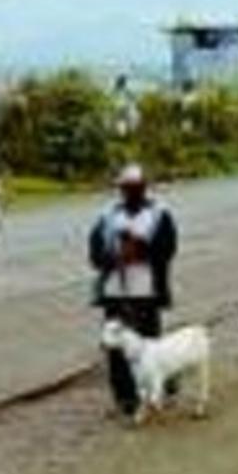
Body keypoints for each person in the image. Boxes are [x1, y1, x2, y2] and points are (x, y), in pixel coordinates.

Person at [88, 164, 178, 418]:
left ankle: (156, 389)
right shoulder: (107, 215)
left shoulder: (160, 214)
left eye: (136, 188)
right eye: (126, 189)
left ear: (144, 188)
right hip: (115, 291)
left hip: (147, 290)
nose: (131, 193)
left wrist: (141, 249)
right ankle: (125, 398)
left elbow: (168, 249)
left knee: (149, 343)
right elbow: (94, 254)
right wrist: (114, 257)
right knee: (117, 346)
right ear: (121, 189)